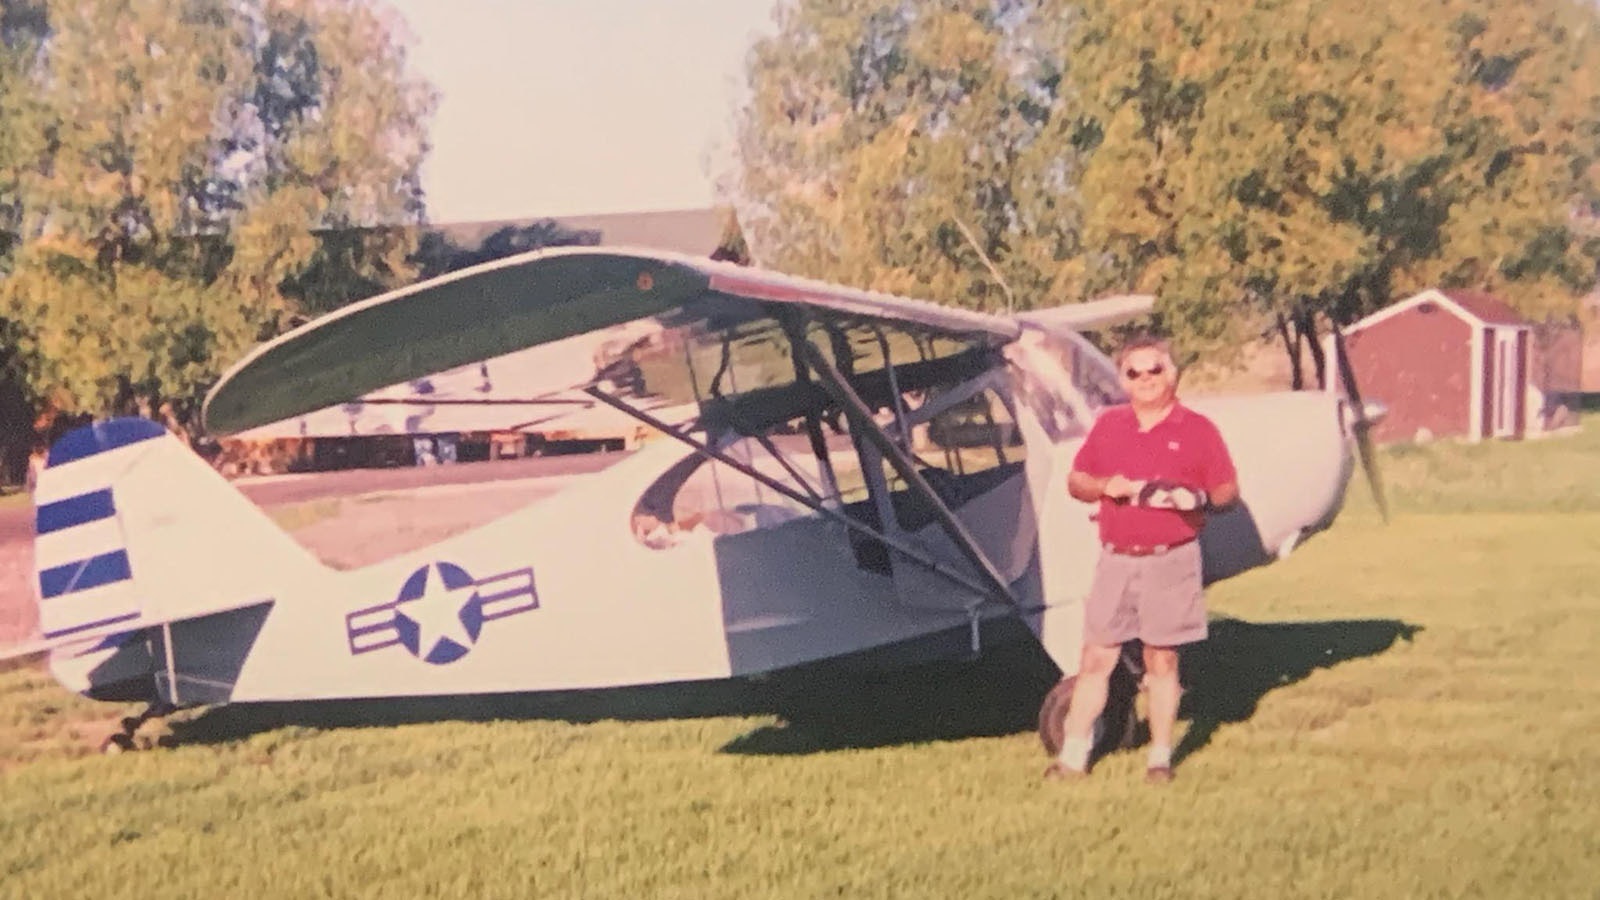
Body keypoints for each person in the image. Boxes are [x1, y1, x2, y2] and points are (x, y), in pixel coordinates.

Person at [1044, 333, 1238, 784]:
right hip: (1116, 560)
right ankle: (1073, 757)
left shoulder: (1199, 430)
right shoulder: (1110, 425)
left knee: (1162, 661)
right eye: (1135, 372)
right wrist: (1106, 486)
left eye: (1155, 369)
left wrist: (1199, 497)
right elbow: (1077, 482)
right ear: (1124, 380)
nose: (1146, 379)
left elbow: (1228, 492)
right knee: (1095, 659)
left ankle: (1160, 758)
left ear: (1172, 374)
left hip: (1170, 560)